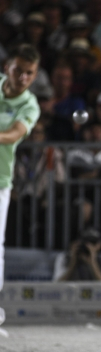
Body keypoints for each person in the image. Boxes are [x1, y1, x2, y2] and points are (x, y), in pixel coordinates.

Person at [0, 44, 40, 322]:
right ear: (7, 68)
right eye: (19, 70)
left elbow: (14, 135)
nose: (23, 78)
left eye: (29, 73)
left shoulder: (30, 105)